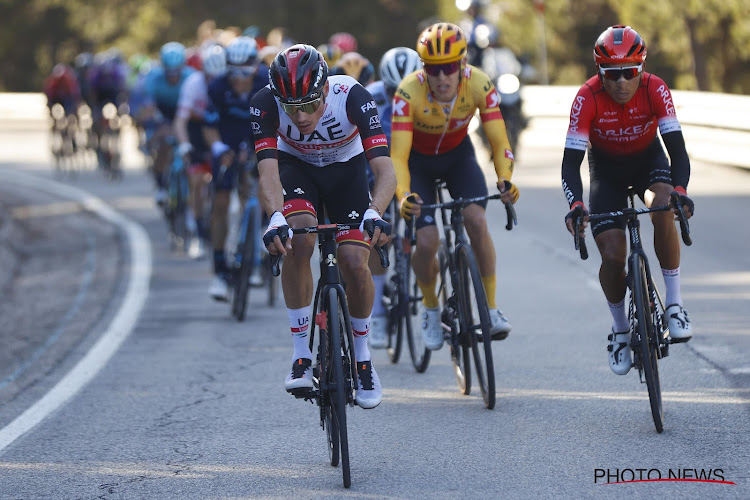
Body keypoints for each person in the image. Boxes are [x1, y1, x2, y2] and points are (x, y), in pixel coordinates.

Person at [252, 44, 396, 409]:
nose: (300, 118)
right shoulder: (265, 103)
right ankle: (302, 355)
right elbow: (267, 172)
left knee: (353, 261)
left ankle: (363, 360)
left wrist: (375, 211)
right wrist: (274, 217)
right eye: (291, 108)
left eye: (309, 106)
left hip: (347, 172)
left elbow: (384, 169)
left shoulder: (352, 96)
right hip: (296, 169)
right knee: (298, 239)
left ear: (326, 90)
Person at [561, 25, 695, 376]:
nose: (622, 83)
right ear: (599, 73)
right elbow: (569, 164)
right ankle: (621, 330)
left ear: (642, 69)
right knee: (613, 253)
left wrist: (679, 191)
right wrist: (575, 204)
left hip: (648, 162)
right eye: (613, 74)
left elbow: (677, 151)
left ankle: (675, 304)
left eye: (630, 73)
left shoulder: (655, 89)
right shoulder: (586, 98)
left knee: (663, 206)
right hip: (606, 170)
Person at [391, 22, 518, 351]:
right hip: (418, 163)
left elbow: (498, 138)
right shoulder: (408, 91)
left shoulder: (479, 83)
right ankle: (432, 308)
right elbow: (399, 155)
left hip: (458, 158)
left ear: (463, 64)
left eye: (450, 68)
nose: (443, 77)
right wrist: (403, 194)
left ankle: (489, 309)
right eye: (434, 69)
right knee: (428, 240)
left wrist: (505, 177)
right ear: (424, 69)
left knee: (476, 220)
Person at [364, 47, 422, 348]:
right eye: (391, 91)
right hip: (376, 172)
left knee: (425, 230)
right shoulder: (370, 97)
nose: (397, 98)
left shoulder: (426, 95)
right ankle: (377, 315)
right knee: (376, 235)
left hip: (410, 169)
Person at [203, 36, 269, 300]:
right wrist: (217, 148)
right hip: (228, 142)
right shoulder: (218, 87)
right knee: (220, 202)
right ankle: (220, 271)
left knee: (258, 191)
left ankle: (260, 241)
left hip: (259, 138)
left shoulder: (267, 82)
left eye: (245, 72)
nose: (239, 78)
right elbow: (208, 126)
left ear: (255, 68)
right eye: (234, 72)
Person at [174, 44, 227, 259]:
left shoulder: (227, 84)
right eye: (209, 77)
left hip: (219, 130)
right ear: (203, 72)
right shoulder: (193, 84)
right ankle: (197, 231)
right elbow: (180, 121)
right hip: (196, 130)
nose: (213, 82)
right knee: (196, 181)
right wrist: (185, 144)